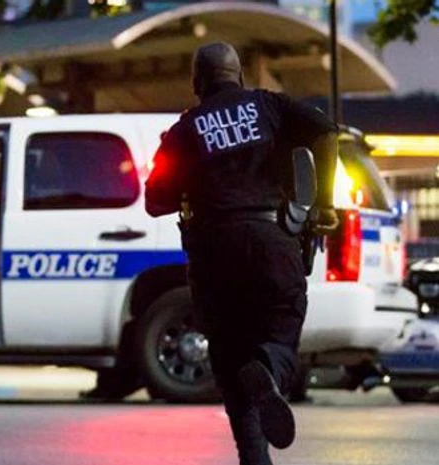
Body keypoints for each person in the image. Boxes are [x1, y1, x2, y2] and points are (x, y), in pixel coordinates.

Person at [144, 42, 339, 465]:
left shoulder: (185, 130)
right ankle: (270, 367)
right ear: (241, 76)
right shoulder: (268, 105)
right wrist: (324, 203)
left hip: (214, 256)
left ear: (197, 82)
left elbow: (154, 201)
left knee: (232, 365)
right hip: (273, 242)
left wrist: (186, 172)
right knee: (282, 325)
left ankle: (256, 459)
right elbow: (326, 130)